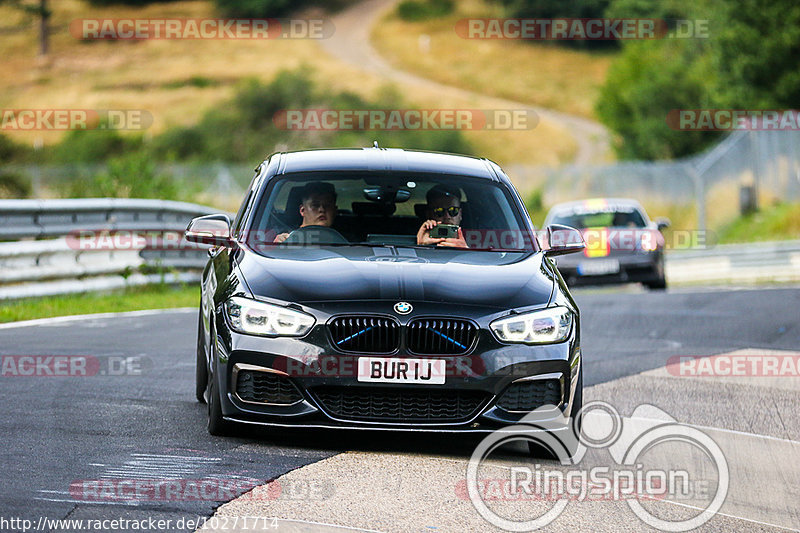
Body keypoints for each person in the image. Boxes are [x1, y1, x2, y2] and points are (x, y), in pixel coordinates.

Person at [274, 182, 338, 243]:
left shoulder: (345, 240)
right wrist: (277, 247)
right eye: (315, 205)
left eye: (327, 205)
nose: (322, 209)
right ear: (302, 210)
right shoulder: (287, 238)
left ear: (335, 210)